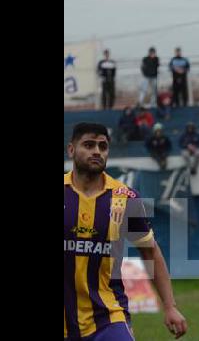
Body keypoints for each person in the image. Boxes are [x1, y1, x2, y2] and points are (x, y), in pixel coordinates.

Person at [65, 122, 188, 340]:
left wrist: (169, 306)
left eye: (103, 146)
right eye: (89, 144)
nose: (97, 151)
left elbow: (150, 252)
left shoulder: (125, 198)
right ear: (71, 150)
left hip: (107, 318)